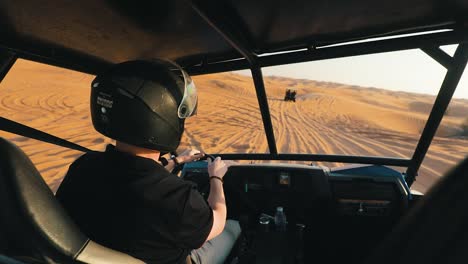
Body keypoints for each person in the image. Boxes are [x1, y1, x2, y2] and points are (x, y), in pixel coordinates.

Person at [56, 60, 240, 264]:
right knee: (233, 228)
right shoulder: (177, 197)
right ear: (162, 120)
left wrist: (177, 161)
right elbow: (216, 222)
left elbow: (139, 177)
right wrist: (216, 177)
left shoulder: (84, 167)